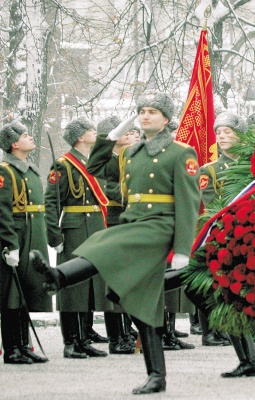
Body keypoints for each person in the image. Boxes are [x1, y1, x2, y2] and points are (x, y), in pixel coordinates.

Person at [32, 90, 201, 394]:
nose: (145, 115)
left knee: (107, 243)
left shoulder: (181, 152)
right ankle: (156, 376)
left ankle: (60, 277)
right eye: (142, 111)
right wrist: (115, 132)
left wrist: (182, 250)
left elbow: (188, 203)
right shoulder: (131, 152)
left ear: (165, 119)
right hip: (134, 224)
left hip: (160, 225)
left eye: (152, 111)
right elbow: (96, 166)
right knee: (141, 300)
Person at [44, 116, 111, 358]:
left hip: (95, 227)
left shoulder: (92, 161)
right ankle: (70, 342)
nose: (96, 132)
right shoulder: (63, 165)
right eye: (91, 130)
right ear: (80, 137)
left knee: (91, 286)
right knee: (73, 289)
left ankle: (84, 338)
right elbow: (51, 203)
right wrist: (55, 236)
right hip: (74, 229)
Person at [0, 121, 52, 364]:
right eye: (25, 135)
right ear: (13, 144)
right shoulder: (5, 171)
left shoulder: (29, 169)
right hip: (16, 237)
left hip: (33, 234)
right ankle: (12, 349)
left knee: (26, 293)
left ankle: (24, 345)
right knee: (12, 295)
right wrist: (10, 244)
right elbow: (3, 211)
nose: (30, 138)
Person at [96, 115, 139, 354]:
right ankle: (116, 337)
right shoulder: (105, 162)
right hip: (114, 219)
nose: (130, 133)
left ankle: (126, 331)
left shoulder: (128, 158)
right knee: (115, 279)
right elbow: (109, 189)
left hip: (131, 219)